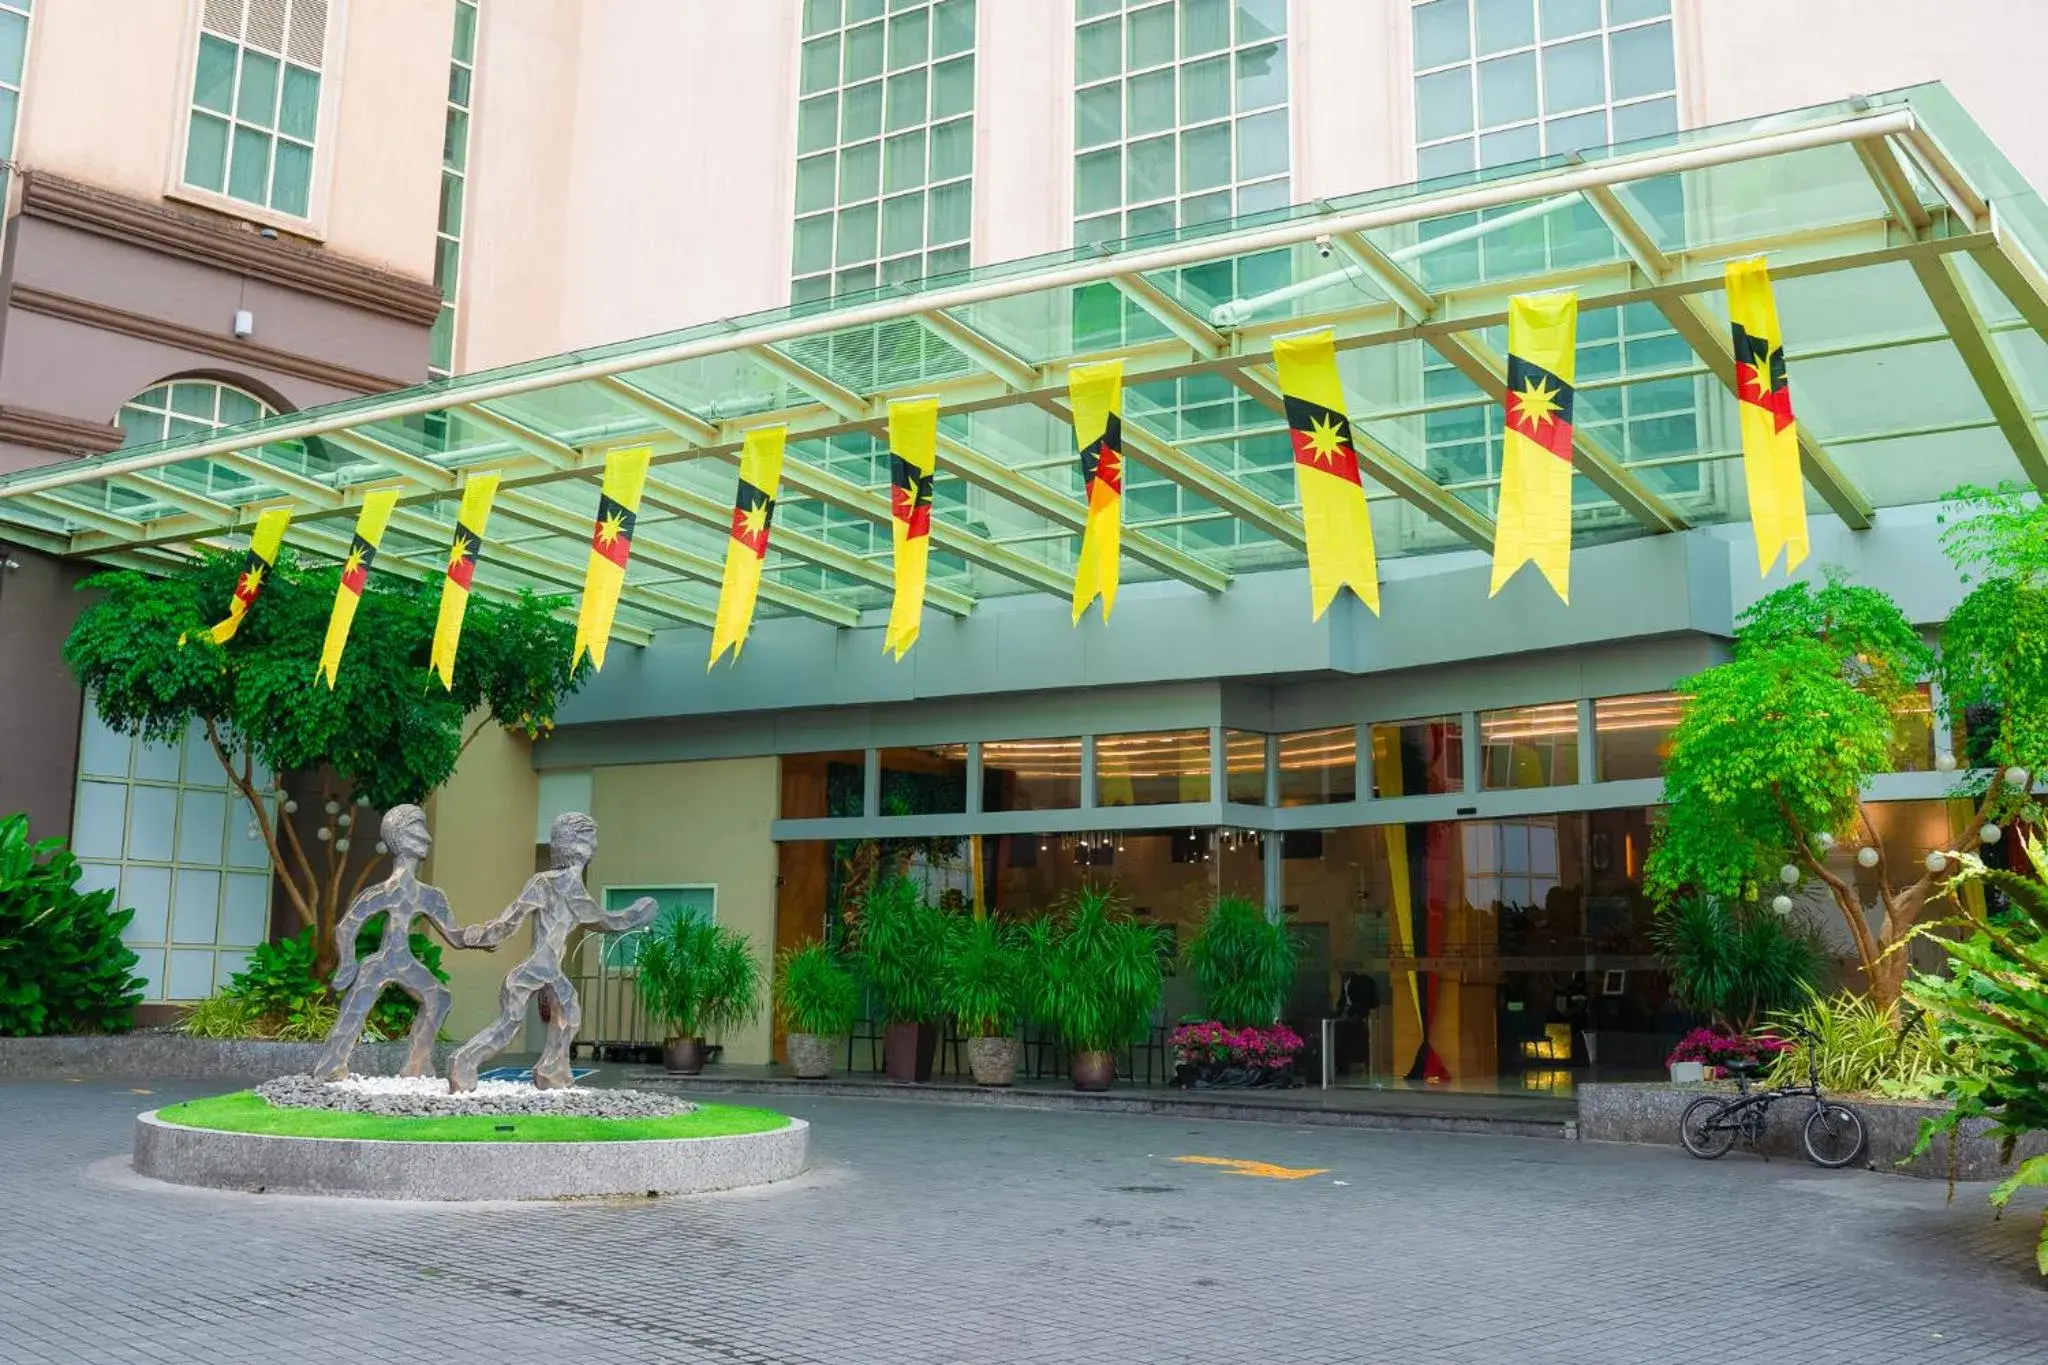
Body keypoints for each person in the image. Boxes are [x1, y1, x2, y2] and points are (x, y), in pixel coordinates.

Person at [446, 811, 657, 1092]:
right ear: (574, 843)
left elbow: (607, 921)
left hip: (551, 972)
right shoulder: (544, 883)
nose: (595, 846)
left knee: (569, 1017)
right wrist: (475, 936)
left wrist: (636, 915)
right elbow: (509, 921)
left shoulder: (577, 893)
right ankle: (463, 1062)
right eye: (590, 838)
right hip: (533, 969)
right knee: (510, 1025)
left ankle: (552, 1072)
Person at [310, 805, 464, 1081]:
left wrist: (490, 933)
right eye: (418, 831)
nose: (427, 838)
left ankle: (416, 1066)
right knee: (356, 1007)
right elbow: (346, 928)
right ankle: (331, 1067)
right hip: (380, 964)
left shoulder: (431, 897)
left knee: (439, 997)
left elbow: (456, 935)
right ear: (400, 838)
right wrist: (348, 965)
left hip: (404, 962)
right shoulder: (381, 892)